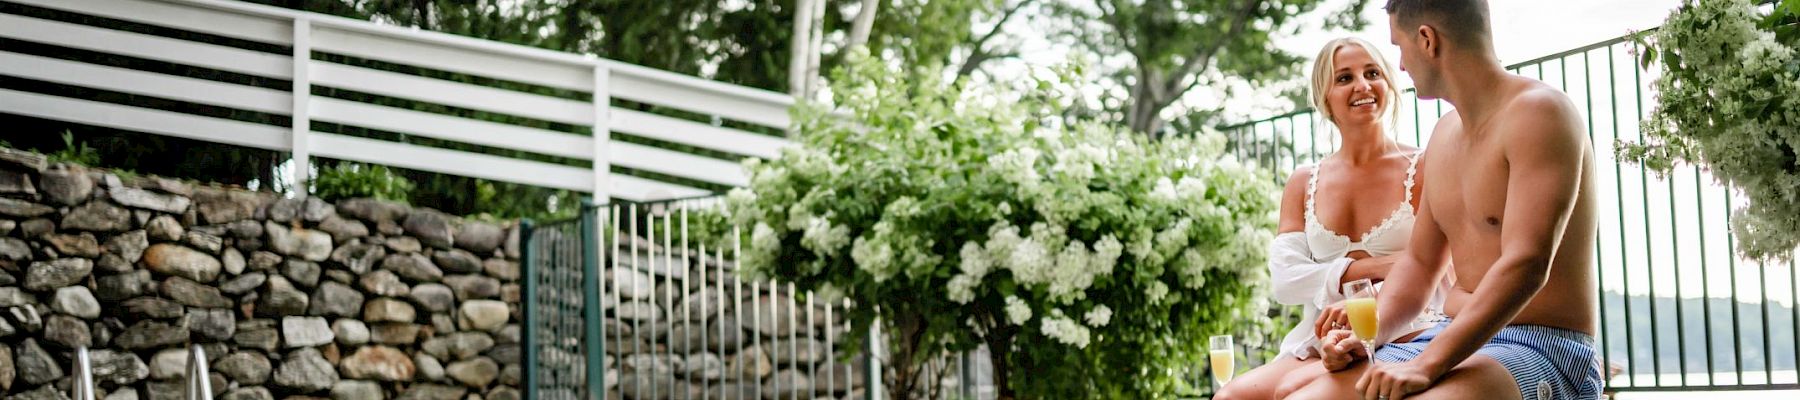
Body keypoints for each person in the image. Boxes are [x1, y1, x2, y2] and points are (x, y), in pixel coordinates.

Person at [1279, 1, 1603, 399]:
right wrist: (1369, 332)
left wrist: (1426, 365)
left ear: (1427, 40)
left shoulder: (1539, 114)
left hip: (1540, 343)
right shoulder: (1444, 136)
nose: (1400, 66)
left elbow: (1526, 264)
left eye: (1399, 47)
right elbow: (1419, 264)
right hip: (1448, 333)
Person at [1213, 37, 1464, 400]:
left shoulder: (1424, 168)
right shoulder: (1304, 182)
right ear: (1324, 97)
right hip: (1321, 339)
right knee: (1229, 397)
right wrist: (1380, 265)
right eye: (1344, 78)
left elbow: (1446, 264)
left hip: (1410, 330)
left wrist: (1398, 271)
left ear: (1389, 85)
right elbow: (1285, 279)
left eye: (1372, 73)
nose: (1362, 85)